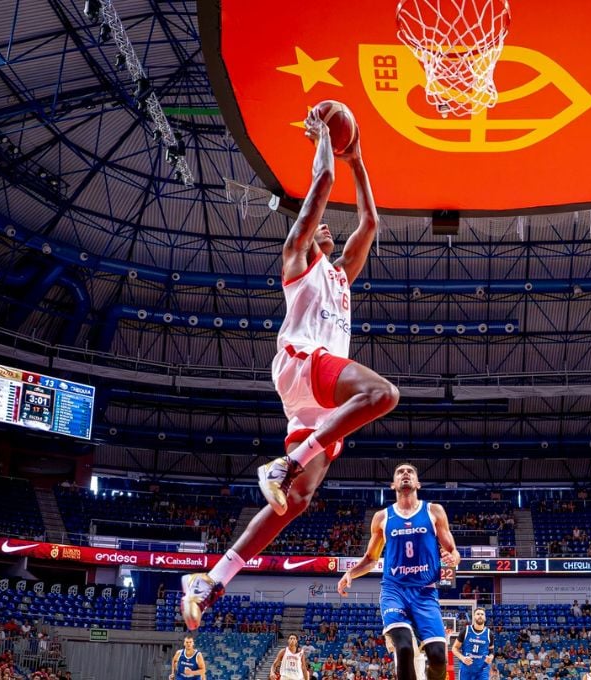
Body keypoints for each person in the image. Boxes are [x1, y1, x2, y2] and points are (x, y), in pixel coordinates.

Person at [179, 106, 398, 630]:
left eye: (327, 227)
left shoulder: (343, 276)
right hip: (305, 364)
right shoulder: (297, 258)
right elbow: (321, 181)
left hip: (316, 402)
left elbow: (370, 222)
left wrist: (360, 161)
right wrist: (324, 139)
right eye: (319, 222)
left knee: (294, 504)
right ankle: (284, 464)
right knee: (383, 394)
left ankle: (211, 581)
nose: (324, 224)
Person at [337, 463, 461, 680]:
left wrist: (453, 558)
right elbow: (371, 558)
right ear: (393, 484)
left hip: (425, 592)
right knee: (403, 649)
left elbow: (453, 550)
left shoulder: (433, 511)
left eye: (410, 471)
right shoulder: (382, 517)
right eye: (400, 472)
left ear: (418, 483)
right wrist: (350, 573)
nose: (405, 474)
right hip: (395, 591)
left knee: (439, 656)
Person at [454, 608, 494, 680]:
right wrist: (462, 658)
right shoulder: (465, 631)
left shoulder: (489, 633)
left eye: (482, 614)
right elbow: (454, 648)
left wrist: (491, 657)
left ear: (485, 618)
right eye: (478, 614)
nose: (480, 616)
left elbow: (491, 651)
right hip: (466, 669)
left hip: (482, 669)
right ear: (474, 617)